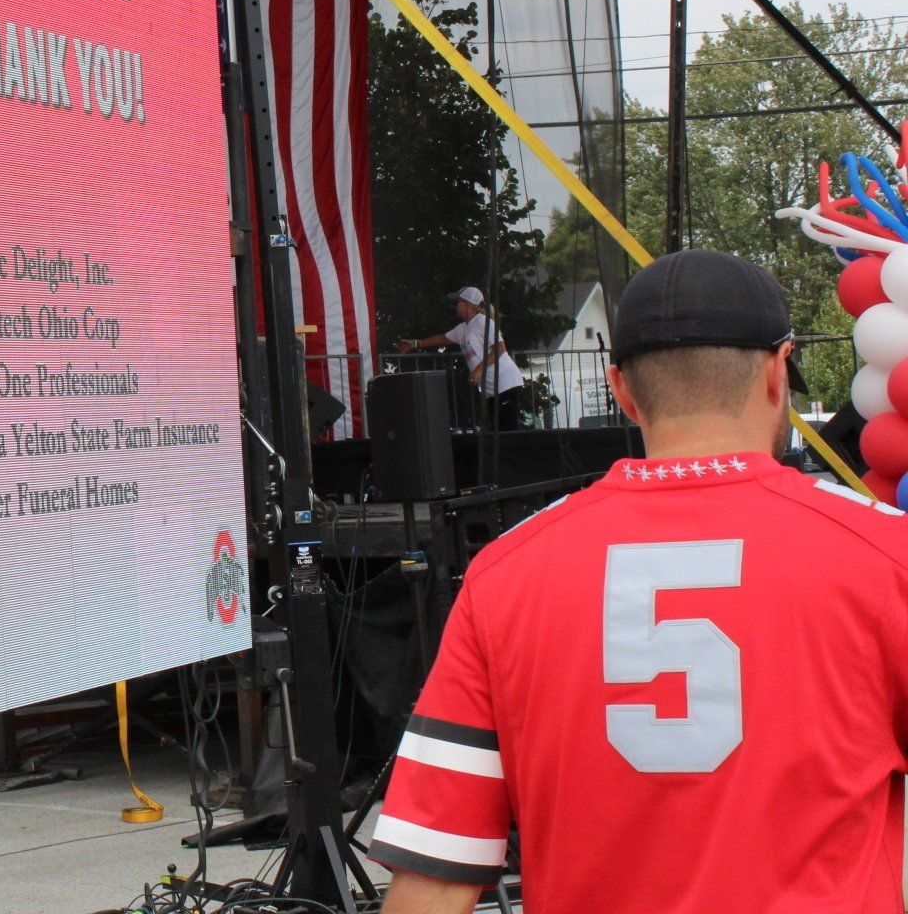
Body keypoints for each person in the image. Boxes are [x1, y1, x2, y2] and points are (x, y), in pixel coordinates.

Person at [369, 249, 908, 914]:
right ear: (778, 372)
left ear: (621, 390)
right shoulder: (886, 554)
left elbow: (435, 877)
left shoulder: (505, 573)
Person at [399, 287, 526, 429]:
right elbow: (442, 339)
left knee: (507, 431)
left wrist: (478, 370)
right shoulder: (463, 329)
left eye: (457, 302)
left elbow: (500, 348)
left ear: (467, 304)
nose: (455, 306)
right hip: (493, 389)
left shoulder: (483, 322)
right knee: (500, 431)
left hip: (506, 383)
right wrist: (415, 343)